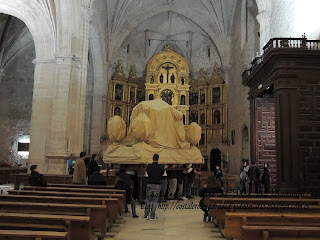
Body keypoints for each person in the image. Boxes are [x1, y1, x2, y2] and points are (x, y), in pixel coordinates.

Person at [144, 154, 164, 220]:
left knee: (148, 200)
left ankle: (146, 214)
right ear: (158, 159)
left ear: (152, 158)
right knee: (155, 200)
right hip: (157, 184)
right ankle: (152, 215)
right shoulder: (161, 167)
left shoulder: (149, 166)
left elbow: (148, 173)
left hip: (149, 183)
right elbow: (162, 174)